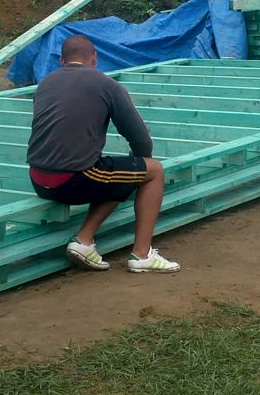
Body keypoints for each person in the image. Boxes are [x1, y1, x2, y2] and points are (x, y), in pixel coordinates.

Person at [25, 34, 181, 273]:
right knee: (153, 171)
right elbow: (140, 138)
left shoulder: (45, 83)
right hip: (74, 180)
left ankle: (84, 241)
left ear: (62, 60)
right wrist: (141, 162)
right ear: (94, 59)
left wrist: (132, 169)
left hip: (38, 179)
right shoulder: (106, 85)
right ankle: (142, 255)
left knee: (118, 172)